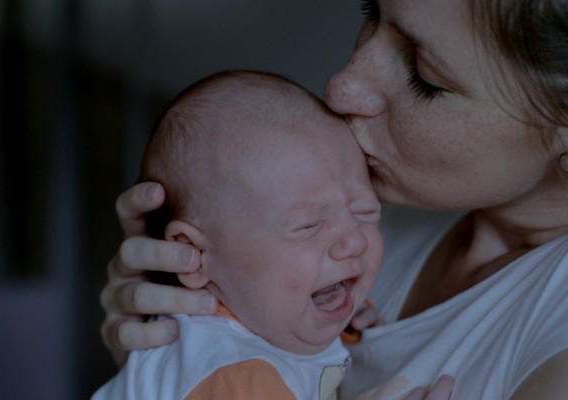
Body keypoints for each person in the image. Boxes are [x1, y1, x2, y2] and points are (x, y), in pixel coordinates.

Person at [99, 0, 568, 399]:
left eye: (426, 76)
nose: (342, 85)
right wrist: (189, 347)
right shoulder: (387, 203)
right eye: (371, 12)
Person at [93, 70, 386, 399]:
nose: (356, 241)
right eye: (308, 226)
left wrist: (346, 320)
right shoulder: (236, 378)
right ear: (194, 257)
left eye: (366, 212)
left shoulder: (266, 314)